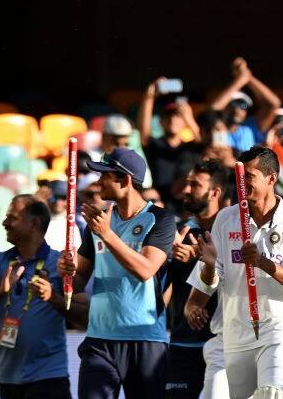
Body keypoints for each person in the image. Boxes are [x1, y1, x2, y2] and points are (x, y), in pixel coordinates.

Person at [193, 146, 283, 399]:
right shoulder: (226, 218)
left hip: (280, 332)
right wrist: (208, 266)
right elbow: (210, 283)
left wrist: (264, 264)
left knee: (274, 395)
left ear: (271, 179)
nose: (241, 183)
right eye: (238, 176)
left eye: (248, 176)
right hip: (236, 334)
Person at [56, 148, 176, 399]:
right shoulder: (98, 224)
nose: (98, 182)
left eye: (104, 176)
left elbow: (145, 270)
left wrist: (107, 235)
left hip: (145, 338)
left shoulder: (160, 219)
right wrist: (66, 272)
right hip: (100, 338)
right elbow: (77, 283)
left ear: (125, 180)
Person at [0, 195, 87, 399]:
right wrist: (0, 292)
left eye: (12, 217)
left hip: (49, 377)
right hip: (7, 379)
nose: (4, 222)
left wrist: (53, 298)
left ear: (33, 223)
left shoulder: (60, 264)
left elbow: (86, 318)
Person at [164, 160, 231, 399]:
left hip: (224, 344)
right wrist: (167, 258)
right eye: (187, 183)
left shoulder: (233, 231)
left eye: (195, 184)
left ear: (215, 192)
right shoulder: (179, 233)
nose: (186, 190)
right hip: (183, 343)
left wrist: (200, 259)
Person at [138, 78, 202, 206]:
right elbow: (143, 130)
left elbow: (203, 141)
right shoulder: (155, 145)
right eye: (168, 115)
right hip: (159, 205)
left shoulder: (190, 147)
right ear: (161, 121)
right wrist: (149, 96)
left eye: (177, 115)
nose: (173, 119)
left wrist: (188, 117)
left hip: (187, 206)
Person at [209, 57, 283, 152]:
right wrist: (241, 79)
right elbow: (213, 110)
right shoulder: (218, 127)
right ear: (225, 107)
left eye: (243, 104)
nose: (237, 109)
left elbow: (274, 103)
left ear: (247, 110)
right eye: (233, 104)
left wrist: (248, 76)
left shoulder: (251, 127)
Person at [44, 180, 82, 252]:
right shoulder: (38, 221)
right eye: (55, 197)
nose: (58, 202)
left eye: (63, 198)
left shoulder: (72, 226)